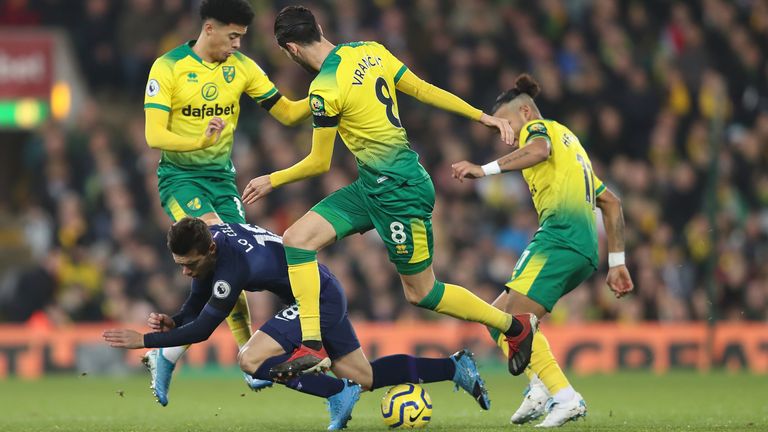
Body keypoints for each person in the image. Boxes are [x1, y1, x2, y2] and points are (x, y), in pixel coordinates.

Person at [240, 5, 537, 380]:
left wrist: (272, 179)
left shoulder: (324, 89)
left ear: (291, 49)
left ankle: (514, 327)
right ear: (318, 27)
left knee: (422, 293)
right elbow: (423, 89)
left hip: (399, 192)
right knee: (297, 239)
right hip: (372, 186)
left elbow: (319, 163)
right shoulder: (370, 50)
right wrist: (484, 116)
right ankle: (312, 344)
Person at [103, 217, 491, 430]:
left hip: (315, 299)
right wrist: (175, 321)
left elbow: (204, 328)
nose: (186, 271)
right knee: (366, 375)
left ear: (209, 250)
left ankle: (335, 392)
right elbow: (196, 303)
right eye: (180, 265)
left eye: (189, 263)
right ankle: (454, 367)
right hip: (320, 290)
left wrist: (146, 340)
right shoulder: (211, 240)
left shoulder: (230, 265)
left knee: (250, 360)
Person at [141, 0, 311, 405]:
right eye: (233, 36)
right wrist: (198, 140)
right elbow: (154, 135)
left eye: (241, 38)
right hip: (181, 179)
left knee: (230, 259)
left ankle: (215, 351)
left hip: (222, 180)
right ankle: (173, 351)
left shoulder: (244, 69)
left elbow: (287, 113)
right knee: (217, 245)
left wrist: (328, 100)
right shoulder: (168, 68)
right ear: (210, 28)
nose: (237, 44)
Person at [450, 74, 635, 428]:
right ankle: (539, 387)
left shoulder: (541, 131)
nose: (506, 136)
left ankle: (565, 397)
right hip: (579, 248)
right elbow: (611, 202)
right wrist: (617, 262)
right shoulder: (571, 147)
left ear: (525, 111)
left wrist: (482, 170)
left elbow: (538, 149)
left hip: (560, 237)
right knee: (496, 318)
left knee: (516, 323)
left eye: (507, 125)